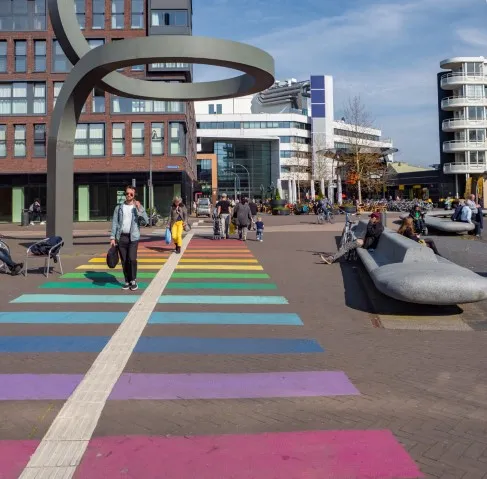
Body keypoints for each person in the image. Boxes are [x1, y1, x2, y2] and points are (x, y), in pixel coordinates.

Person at [110, 185, 148, 291]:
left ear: (134, 194)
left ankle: (133, 280)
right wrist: (112, 237)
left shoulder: (138, 207)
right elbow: (115, 223)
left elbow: (145, 222)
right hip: (121, 237)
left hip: (133, 237)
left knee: (132, 259)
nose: (129, 195)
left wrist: (139, 209)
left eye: (131, 194)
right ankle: (127, 280)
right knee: (124, 260)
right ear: (125, 194)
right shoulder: (119, 208)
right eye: (127, 193)